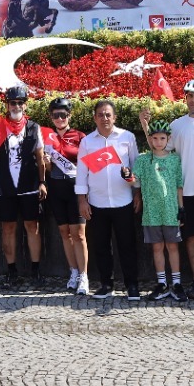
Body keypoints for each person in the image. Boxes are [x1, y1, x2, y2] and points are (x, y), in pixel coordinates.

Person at [141, 79, 194, 300]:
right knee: (190, 238)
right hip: (185, 192)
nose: (193, 100)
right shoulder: (177, 125)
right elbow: (158, 148)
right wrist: (145, 125)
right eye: (190, 96)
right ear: (185, 98)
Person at [75, 98, 142, 300]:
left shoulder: (127, 137)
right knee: (101, 246)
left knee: (127, 245)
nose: (104, 118)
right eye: (100, 115)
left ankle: (132, 285)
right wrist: (82, 200)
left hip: (124, 201)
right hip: (97, 202)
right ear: (94, 118)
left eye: (108, 114)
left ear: (114, 117)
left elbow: (136, 167)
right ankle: (106, 284)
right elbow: (81, 173)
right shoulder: (87, 142)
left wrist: (137, 192)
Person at [0, 84, 46, 290]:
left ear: (25, 105)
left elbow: (40, 157)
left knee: (32, 227)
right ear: (7, 105)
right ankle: (11, 271)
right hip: (6, 186)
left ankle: (36, 270)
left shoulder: (34, 127)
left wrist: (42, 182)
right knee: (8, 228)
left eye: (20, 102)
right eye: (13, 102)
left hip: (29, 184)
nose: (16, 106)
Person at [41, 97, 89, 295]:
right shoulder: (47, 137)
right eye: (56, 115)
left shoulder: (79, 136)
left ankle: (84, 276)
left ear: (69, 115)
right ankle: (73, 272)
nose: (59, 118)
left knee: (79, 233)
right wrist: (46, 162)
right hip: (56, 188)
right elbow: (47, 169)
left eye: (63, 115)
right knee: (64, 232)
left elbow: (87, 163)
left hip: (75, 188)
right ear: (51, 117)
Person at [133, 125, 184, 301]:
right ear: (150, 139)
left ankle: (176, 282)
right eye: (155, 138)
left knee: (173, 246)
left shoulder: (175, 159)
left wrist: (181, 208)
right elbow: (134, 180)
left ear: (168, 139)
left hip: (171, 211)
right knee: (157, 247)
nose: (159, 142)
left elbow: (179, 185)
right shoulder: (143, 160)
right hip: (151, 212)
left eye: (162, 138)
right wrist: (127, 175)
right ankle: (162, 282)